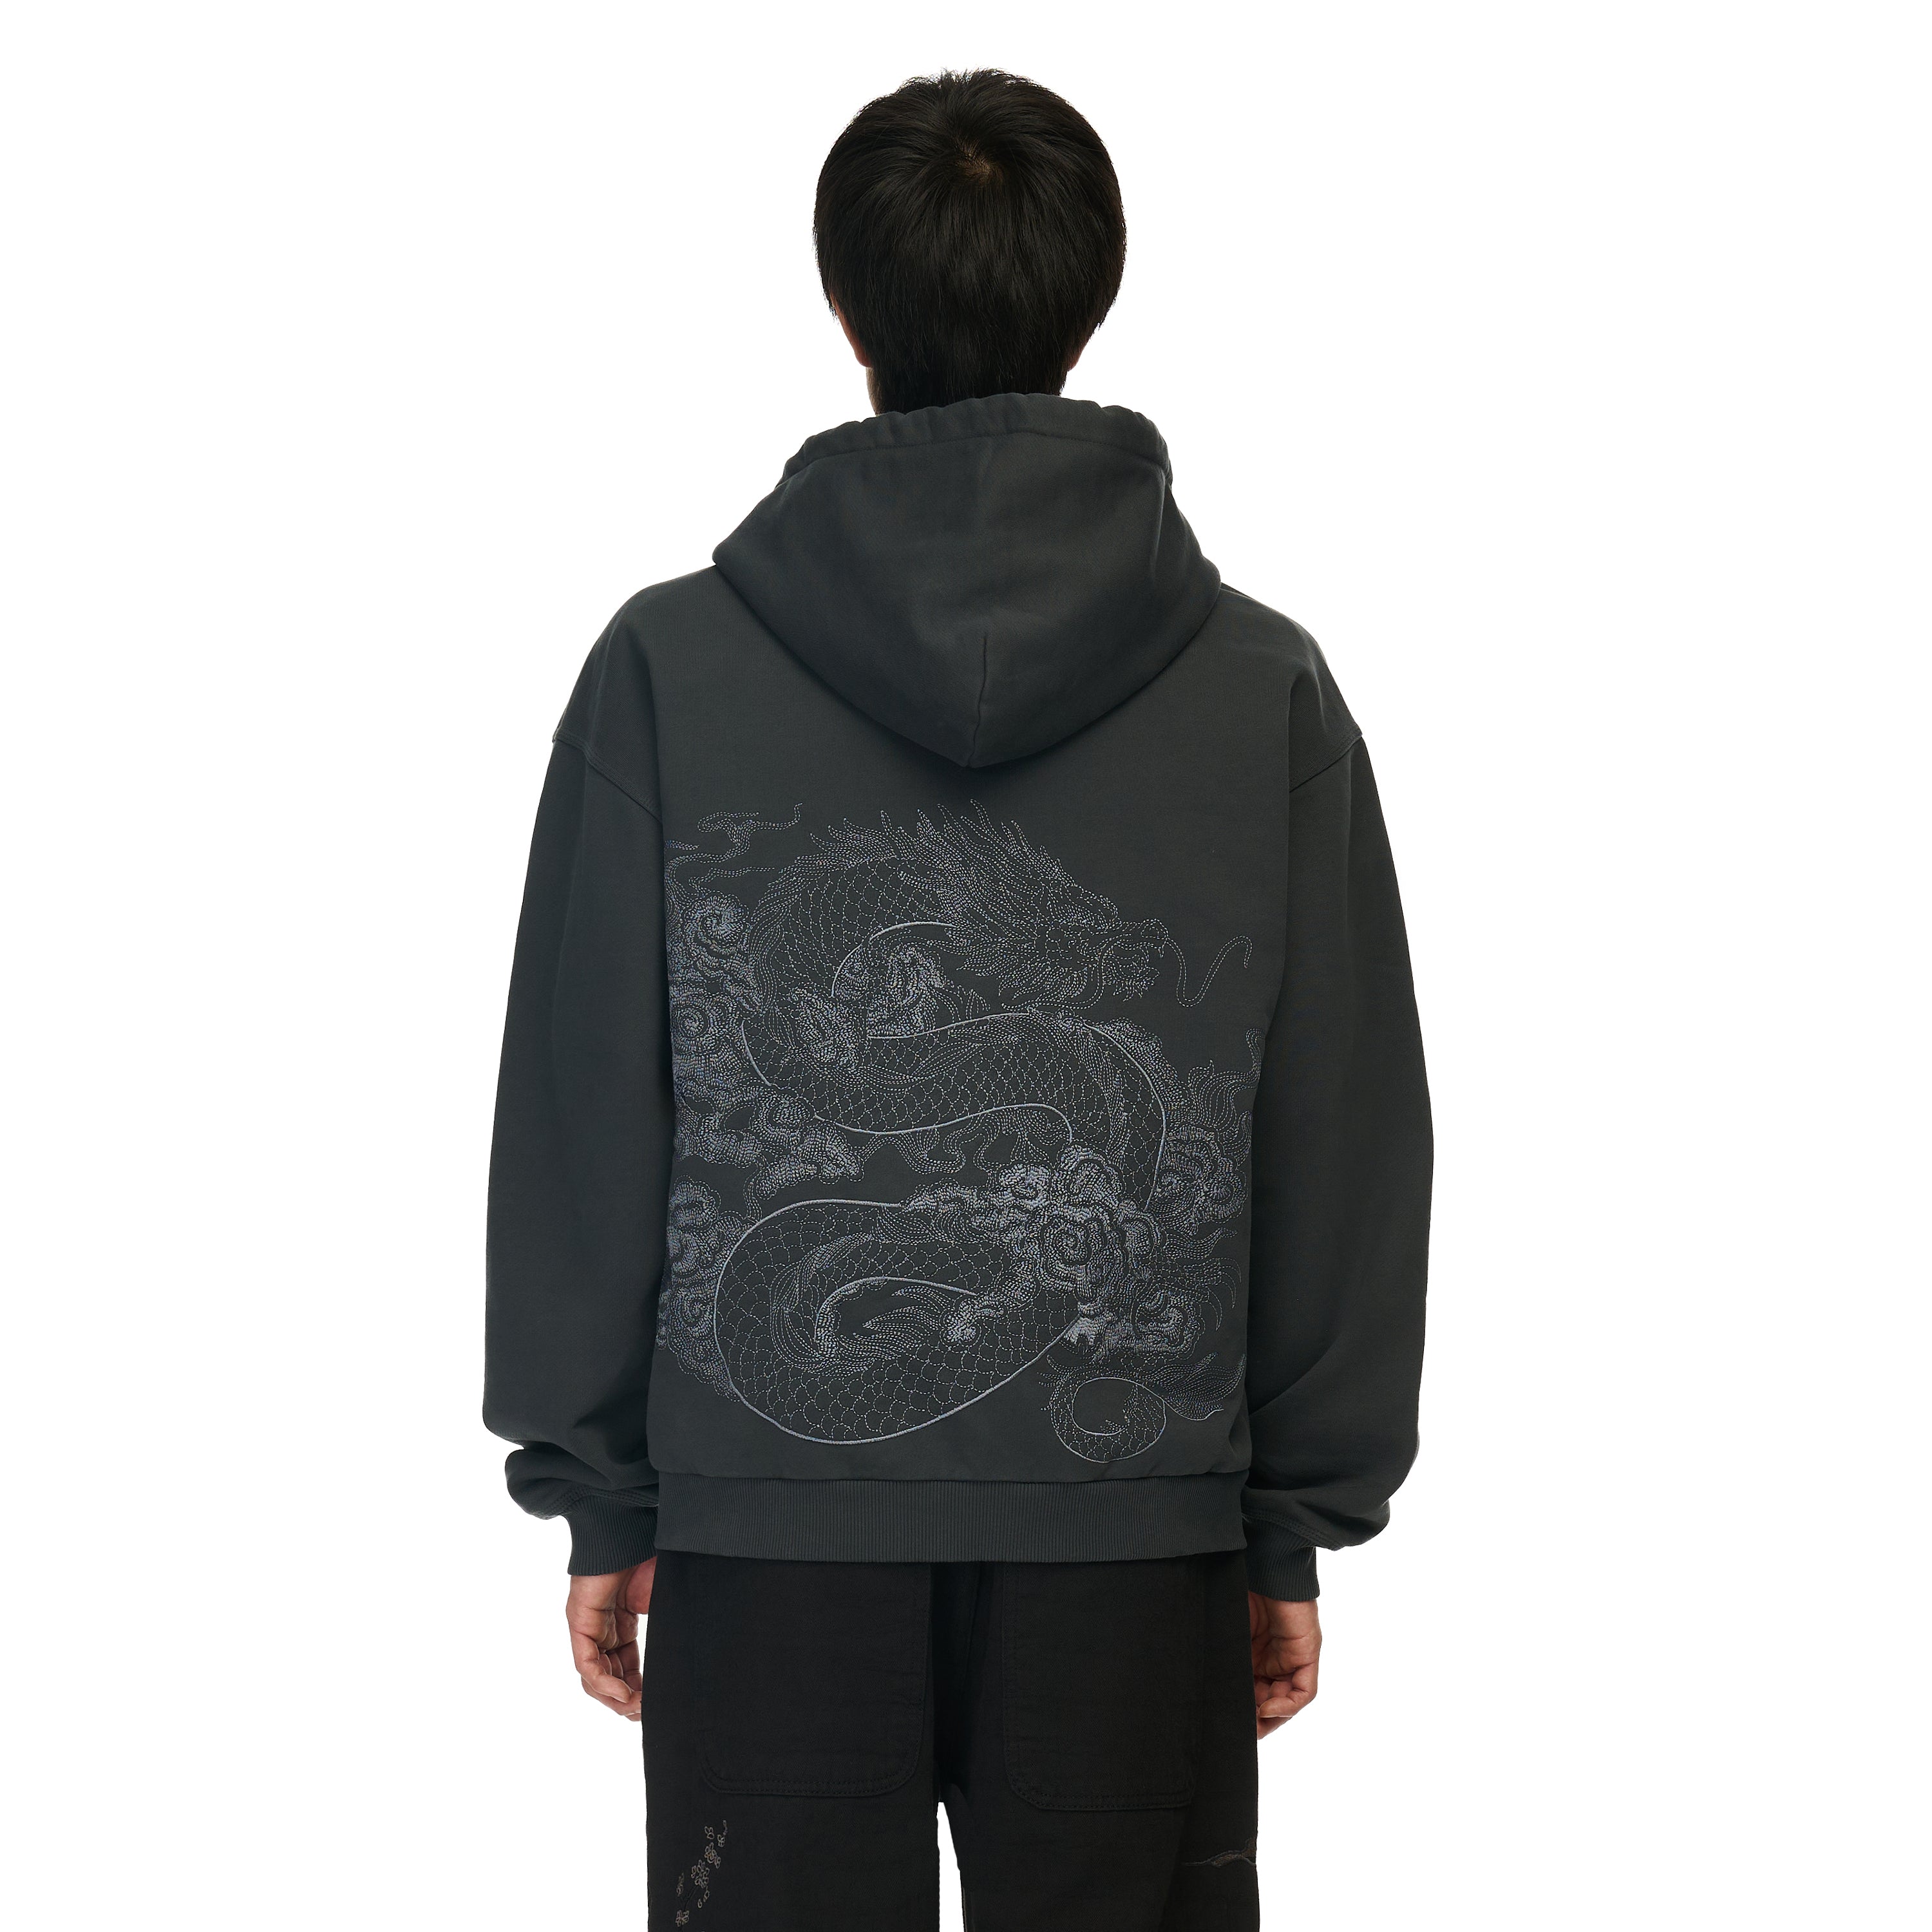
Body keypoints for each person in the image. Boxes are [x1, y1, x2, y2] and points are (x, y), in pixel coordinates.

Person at [484, 68, 1430, 1931]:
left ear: (846, 305)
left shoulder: (669, 666)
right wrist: (1287, 1525)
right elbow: (1343, 1129)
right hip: (1135, 1555)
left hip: (767, 1550)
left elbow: (585, 1105)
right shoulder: (1262, 691)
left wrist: (605, 1492)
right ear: (1094, 293)